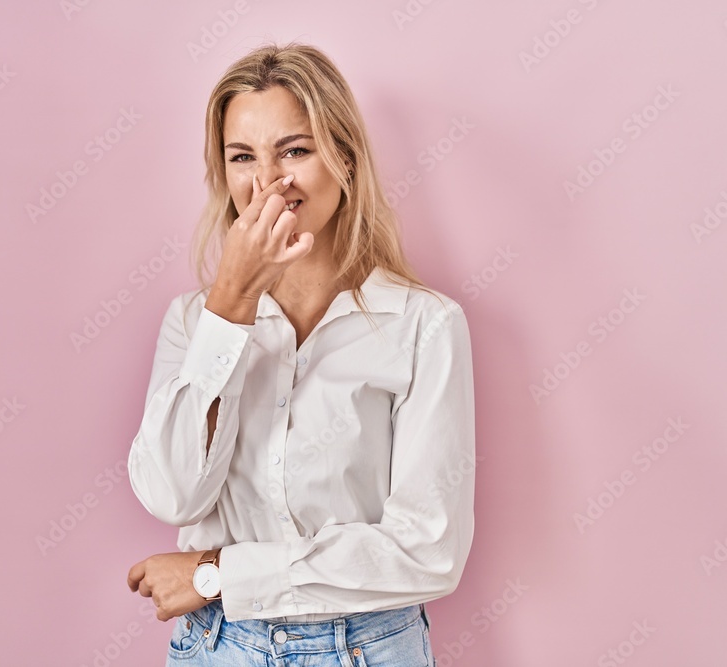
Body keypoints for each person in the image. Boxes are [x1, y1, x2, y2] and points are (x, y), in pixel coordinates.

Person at [125, 40, 476, 666]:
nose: (269, 183)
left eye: (295, 149)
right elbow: (172, 495)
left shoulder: (425, 326)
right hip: (217, 648)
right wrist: (229, 302)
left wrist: (216, 573)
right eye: (242, 157)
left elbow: (427, 553)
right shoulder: (192, 322)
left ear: (342, 157)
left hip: (366, 649)